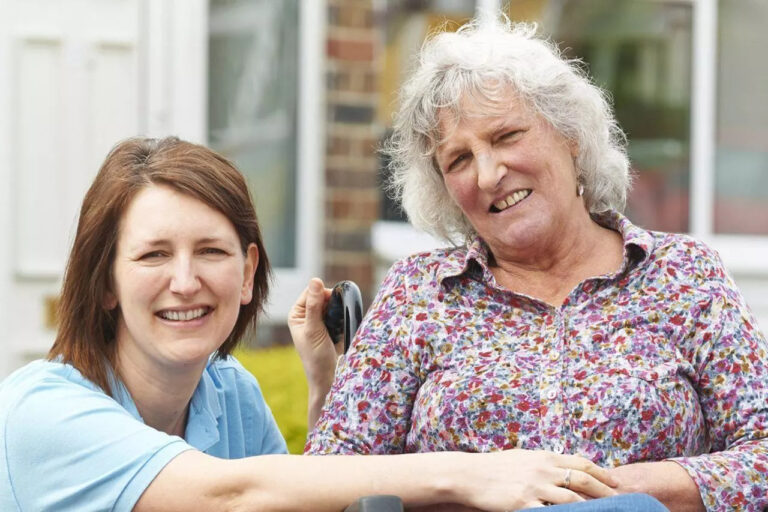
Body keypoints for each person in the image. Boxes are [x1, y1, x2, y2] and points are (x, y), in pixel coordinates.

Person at [291, 17, 768, 512]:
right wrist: (465, 480)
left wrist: (622, 490)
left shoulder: (683, 275)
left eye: (507, 136)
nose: (488, 174)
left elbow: (763, 454)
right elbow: (332, 474)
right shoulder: (419, 292)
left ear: (571, 137)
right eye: (458, 161)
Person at [0, 136, 625, 512]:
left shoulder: (229, 396)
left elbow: (293, 499)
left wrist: (327, 389)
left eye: (212, 252)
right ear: (105, 281)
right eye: (153, 254)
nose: (186, 281)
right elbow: (229, 495)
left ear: (248, 275)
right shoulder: (44, 411)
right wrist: (472, 470)